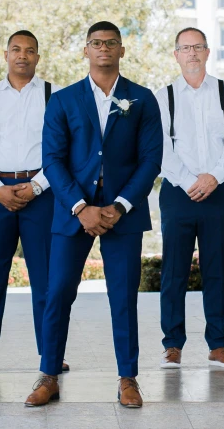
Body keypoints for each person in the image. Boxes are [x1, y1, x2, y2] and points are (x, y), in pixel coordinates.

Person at [24, 21, 163, 408]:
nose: (103, 48)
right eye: (96, 43)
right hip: (73, 213)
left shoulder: (142, 99)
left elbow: (151, 159)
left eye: (111, 43)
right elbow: (51, 160)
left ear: (121, 50)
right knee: (57, 295)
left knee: (123, 297)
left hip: (124, 214)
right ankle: (48, 375)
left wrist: (120, 206)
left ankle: (128, 379)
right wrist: (81, 207)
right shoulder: (64, 100)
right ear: (85, 50)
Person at [0, 30, 67, 372]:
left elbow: (63, 150)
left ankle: (50, 353)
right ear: (5, 55)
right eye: (16, 50)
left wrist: (37, 186)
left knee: (47, 278)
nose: (23, 55)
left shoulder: (56, 97)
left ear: (38, 57)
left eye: (30, 51)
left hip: (43, 193)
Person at [154, 27, 224, 369]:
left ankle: (218, 345)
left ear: (208, 52)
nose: (192, 53)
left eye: (198, 47)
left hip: (219, 191)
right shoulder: (162, 97)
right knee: (174, 271)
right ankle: (172, 344)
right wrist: (187, 180)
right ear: (176, 54)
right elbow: (158, 146)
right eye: (185, 48)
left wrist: (214, 177)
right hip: (177, 193)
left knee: (216, 271)